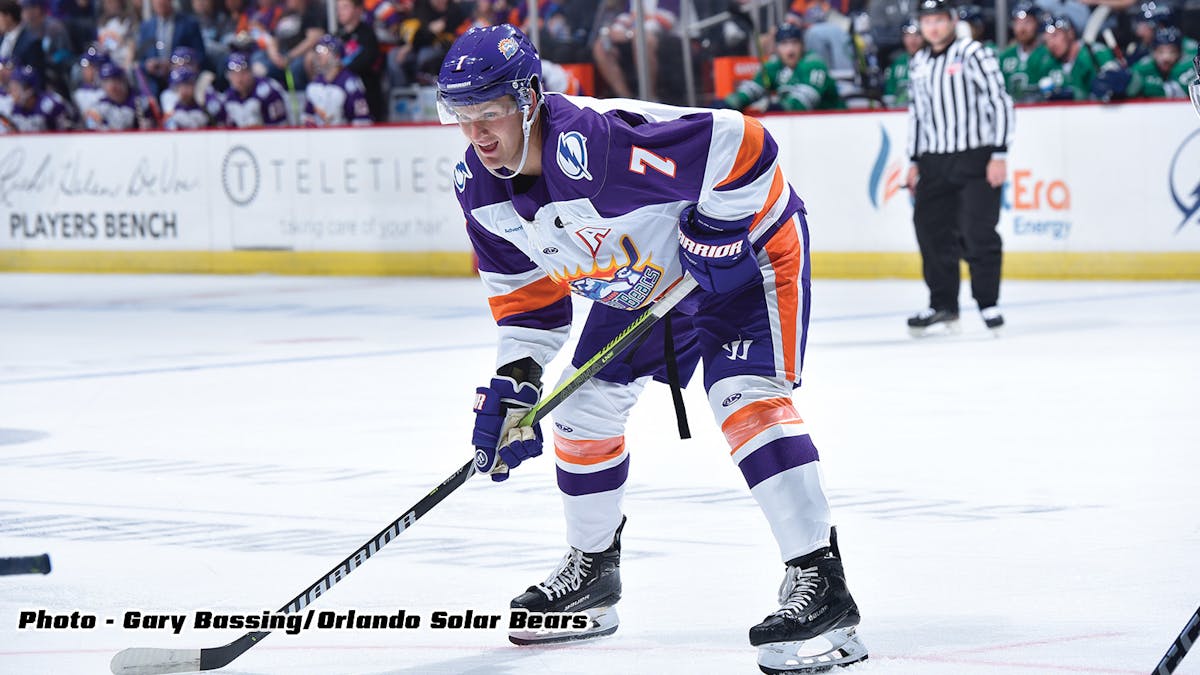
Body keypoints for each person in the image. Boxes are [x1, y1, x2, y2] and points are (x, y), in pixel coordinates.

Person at [437, 24, 868, 672]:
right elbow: (530, 307)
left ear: (528, 97)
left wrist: (718, 229)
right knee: (581, 412)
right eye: (462, 119)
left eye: (490, 113)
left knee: (741, 395)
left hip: (745, 252)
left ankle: (820, 580)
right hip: (645, 282)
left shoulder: (593, 148)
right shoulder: (479, 191)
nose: (478, 135)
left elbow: (747, 144)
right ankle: (594, 572)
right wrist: (516, 385)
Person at [904, 0, 1014, 336]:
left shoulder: (973, 52)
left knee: (977, 231)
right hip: (934, 160)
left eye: (939, 19)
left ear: (952, 20)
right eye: (927, 21)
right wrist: (912, 160)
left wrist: (999, 153)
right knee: (930, 230)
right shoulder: (919, 61)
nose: (933, 27)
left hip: (975, 156)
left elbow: (1000, 99)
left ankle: (987, 302)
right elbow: (917, 114)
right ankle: (943, 305)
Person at [723, 23, 845, 111]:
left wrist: (776, 108)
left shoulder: (813, 64)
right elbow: (752, 89)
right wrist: (730, 103)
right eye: (784, 44)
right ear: (777, 48)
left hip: (831, 125)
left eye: (794, 43)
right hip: (798, 128)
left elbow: (803, 101)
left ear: (802, 46)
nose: (790, 50)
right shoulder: (774, 65)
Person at [302, 34, 371, 125]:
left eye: (324, 50)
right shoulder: (315, 84)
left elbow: (362, 120)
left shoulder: (350, 83)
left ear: (337, 56)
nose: (319, 55)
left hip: (345, 136)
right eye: (318, 51)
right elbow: (308, 117)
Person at [218, 51, 289, 126]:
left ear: (251, 72)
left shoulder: (268, 91)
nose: (239, 78)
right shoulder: (228, 97)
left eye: (243, 73)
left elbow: (280, 127)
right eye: (234, 74)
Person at [998, 1, 1046, 101]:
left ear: (1037, 23)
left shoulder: (1047, 55)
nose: (1022, 28)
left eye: (1027, 22)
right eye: (1018, 22)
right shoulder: (1005, 57)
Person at [6, 62, 70, 129]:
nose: (11, 92)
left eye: (15, 88)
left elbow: (67, 133)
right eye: (11, 87)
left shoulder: (50, 105)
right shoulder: (10, 107)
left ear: (29, 90)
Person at [883, 16, 924, 107]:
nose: (912, 40)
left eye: (917, 35)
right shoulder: (897, 63)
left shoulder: (933, 62)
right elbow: (889, 96)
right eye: (908, 35)